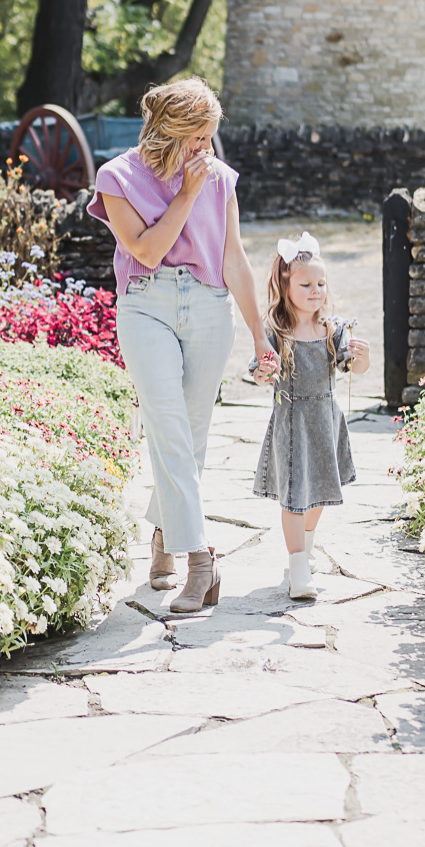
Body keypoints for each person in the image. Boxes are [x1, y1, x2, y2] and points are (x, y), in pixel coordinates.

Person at [87, 79, 279, 614]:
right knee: (167, 426)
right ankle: (201, 559)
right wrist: (189, 193)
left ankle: (163, 536)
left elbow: (234, 260)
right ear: (170, 133)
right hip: (145, 305)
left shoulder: (219, 179)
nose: (207, 151)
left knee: (190, 438)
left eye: (211, 138)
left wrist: (261, 338)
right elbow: (145, 251)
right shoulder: (116, 178)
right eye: (199, 139)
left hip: (211, 308)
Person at [251, 232, 370, 599]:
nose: (315, 290)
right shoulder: (276, 332)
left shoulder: (332, 330)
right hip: (292, 423)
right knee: (294, 496)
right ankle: (297, 565)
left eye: (321, 283)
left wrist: (363, 359)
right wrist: (263, 373)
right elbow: (260, 369)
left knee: (318, 495)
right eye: (306, 283)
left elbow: (356, 368)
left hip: (324, 421)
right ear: (286, 285)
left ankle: (307, 543)